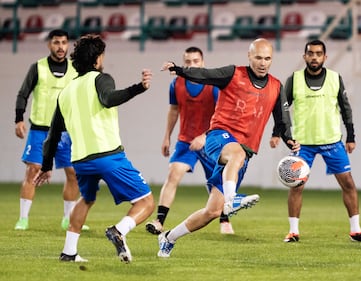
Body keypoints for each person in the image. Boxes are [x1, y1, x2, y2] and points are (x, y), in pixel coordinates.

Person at [157, 38, 300, 258]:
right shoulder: (232, 74)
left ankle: (168, 238)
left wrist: (289, 139)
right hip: (219, 136)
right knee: (237, 153)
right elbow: (205, 74)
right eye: (258, 57)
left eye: (267, 58)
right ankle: (233, 199)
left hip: (242, 154)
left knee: (212, 211)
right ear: (249, 56)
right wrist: (180, 70)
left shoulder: (275, 86)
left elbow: (282, 118)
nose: (263, 63)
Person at [33, 34, 155, 263]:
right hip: (108, 155)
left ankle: (69, 252)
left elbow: (53, 135)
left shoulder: (65, 92)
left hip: (80, 160)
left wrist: (46, 165)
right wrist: (139, 88)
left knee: (86, 199)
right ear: (97, 59)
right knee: (146, 202)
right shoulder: (101, 78)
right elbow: (108, 99)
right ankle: (119, 230)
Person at [279, 39, 361, 243]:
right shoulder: (294, 80)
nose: (314, 57)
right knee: (296, 186)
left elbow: (345, 108)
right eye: (310, 53)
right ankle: (293, 232)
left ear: (325, 57)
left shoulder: (335, 78)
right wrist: (282, 135)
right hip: (303, 143)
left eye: (318, 54)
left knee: (348, 184)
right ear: (304, 56)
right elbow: (282, 110)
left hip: (332, 141)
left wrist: (351, 136)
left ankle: (356, 231)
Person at [145, 46, 235, 236]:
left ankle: (225, 218)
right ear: (183, 63)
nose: (192, 65)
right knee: (173, 174)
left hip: (210, 141)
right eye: (188, 62)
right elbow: (174, 110)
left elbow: (222, 115)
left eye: (196, 61)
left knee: (217, 184)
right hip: (185, 142)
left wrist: (204, 136)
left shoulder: (214, 86)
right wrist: (167, 137)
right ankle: (159, 221)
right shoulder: (176, 84)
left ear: (203, 63)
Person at [14, 29, 89, 231]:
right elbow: (23, 93)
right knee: (32, 171)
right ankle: (23, 219)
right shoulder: (37, 68)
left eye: (64, 42)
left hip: (65, 132)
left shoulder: (75, 69)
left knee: (73, 173)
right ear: (49, 45)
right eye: (56, 42)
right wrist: (18, 119)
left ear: (68, 45)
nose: (60, 47)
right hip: (40, 129)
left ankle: (68, 218)